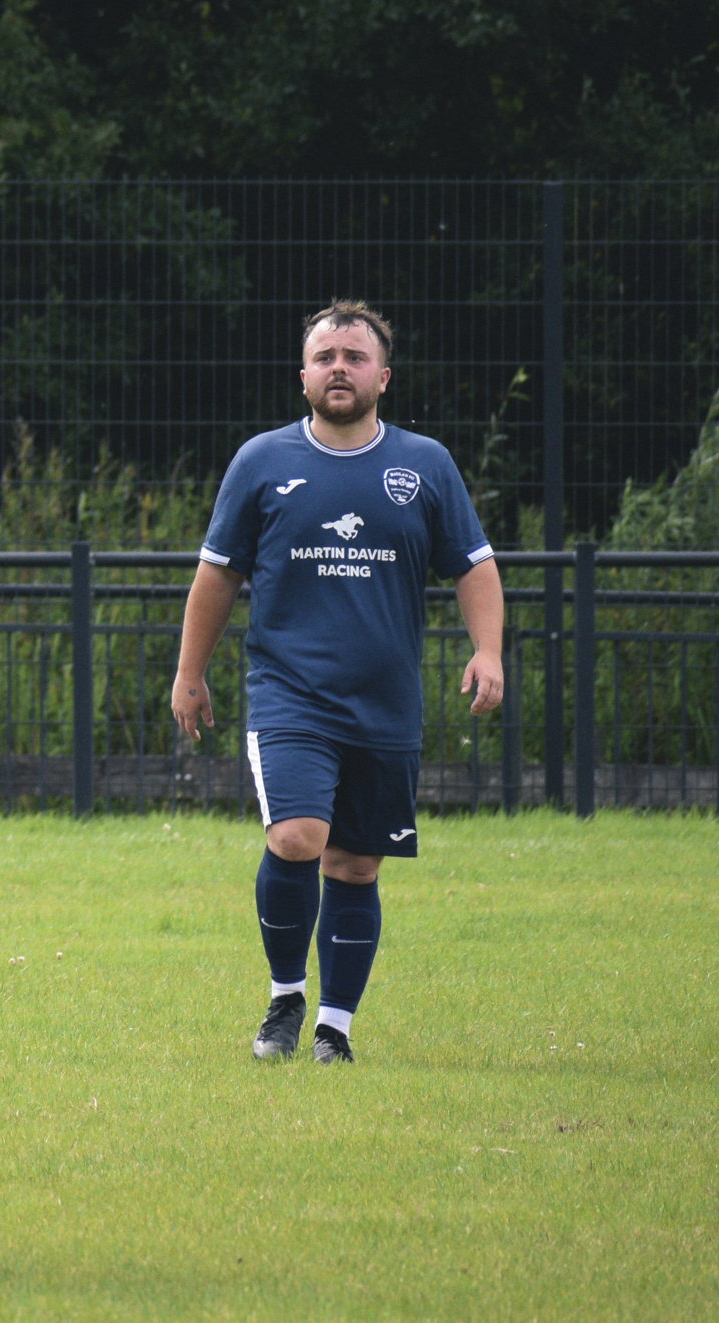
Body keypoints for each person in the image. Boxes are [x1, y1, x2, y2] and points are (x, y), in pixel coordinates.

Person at [171, 301, 504, 1065]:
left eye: (355, 357)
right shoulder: (261, 461)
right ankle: (285, 997)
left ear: (383, 376)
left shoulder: (425, 465)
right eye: (325, 357)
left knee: (355, 863)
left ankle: (334, 1028)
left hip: (386, 703)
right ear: (304, 377)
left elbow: (474, 566)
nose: (339, 368)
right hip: (289, 694)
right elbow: (216, 575)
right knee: (296, 837)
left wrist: (487, 651)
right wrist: (190, 672)